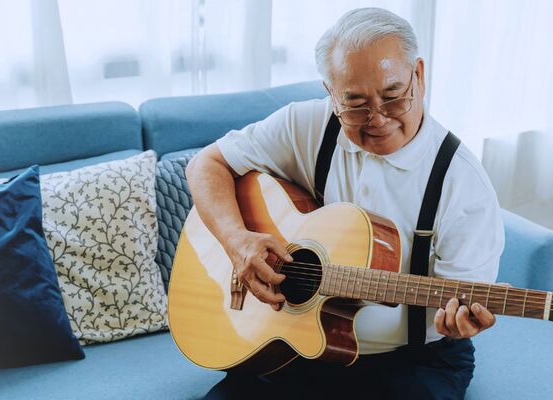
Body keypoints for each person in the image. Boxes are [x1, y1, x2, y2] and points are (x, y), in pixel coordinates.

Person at [186, 7, 504, 400]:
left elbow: (463, 300)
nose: (378, 119)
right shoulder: (306, 126)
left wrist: (460, 320)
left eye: (393, 97)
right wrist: (236, 241)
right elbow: (207, 164)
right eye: (355, 104)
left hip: (412, 361)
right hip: (298, 343)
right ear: (330, 92)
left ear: (418, 76)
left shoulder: (463, 184)